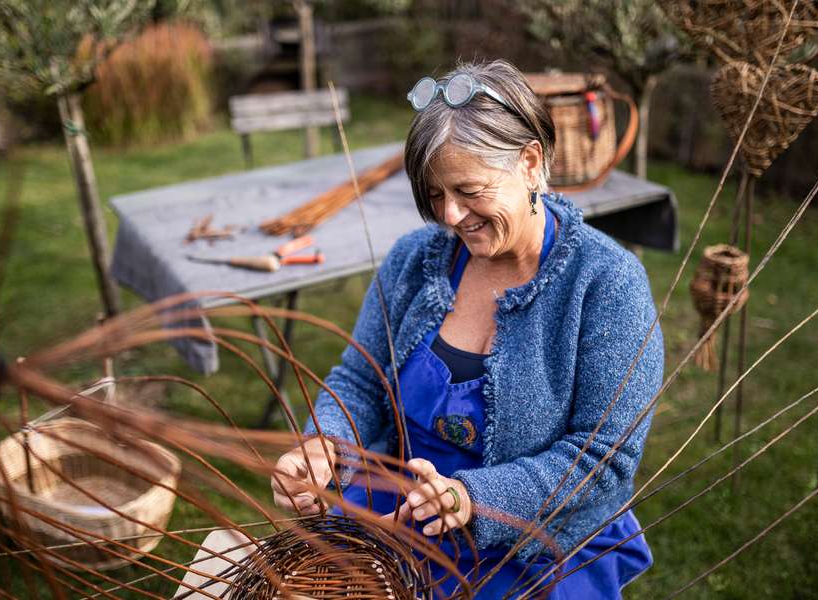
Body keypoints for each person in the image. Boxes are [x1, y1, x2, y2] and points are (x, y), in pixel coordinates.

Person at [272, 59, 664, 599]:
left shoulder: (606, 284)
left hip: (532, 544)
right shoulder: (417, 259)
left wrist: (469, 499)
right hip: (398, 509)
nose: (451, 215)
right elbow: (360, 381)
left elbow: (602, 461)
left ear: (529, 163)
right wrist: (325, 445)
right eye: (435, 194)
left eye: (469, 190)